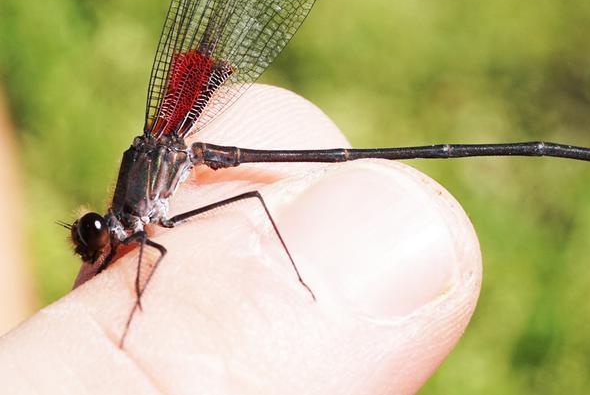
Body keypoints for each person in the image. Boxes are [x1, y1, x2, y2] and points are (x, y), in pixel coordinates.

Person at [0, 85, 482, 393]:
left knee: (251, 202)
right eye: (96, 238)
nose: (97, 244)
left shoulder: (134, 218)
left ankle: (299, 271)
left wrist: (131, 315)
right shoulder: (127, 218)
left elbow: (157, 248)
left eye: (96, 237)